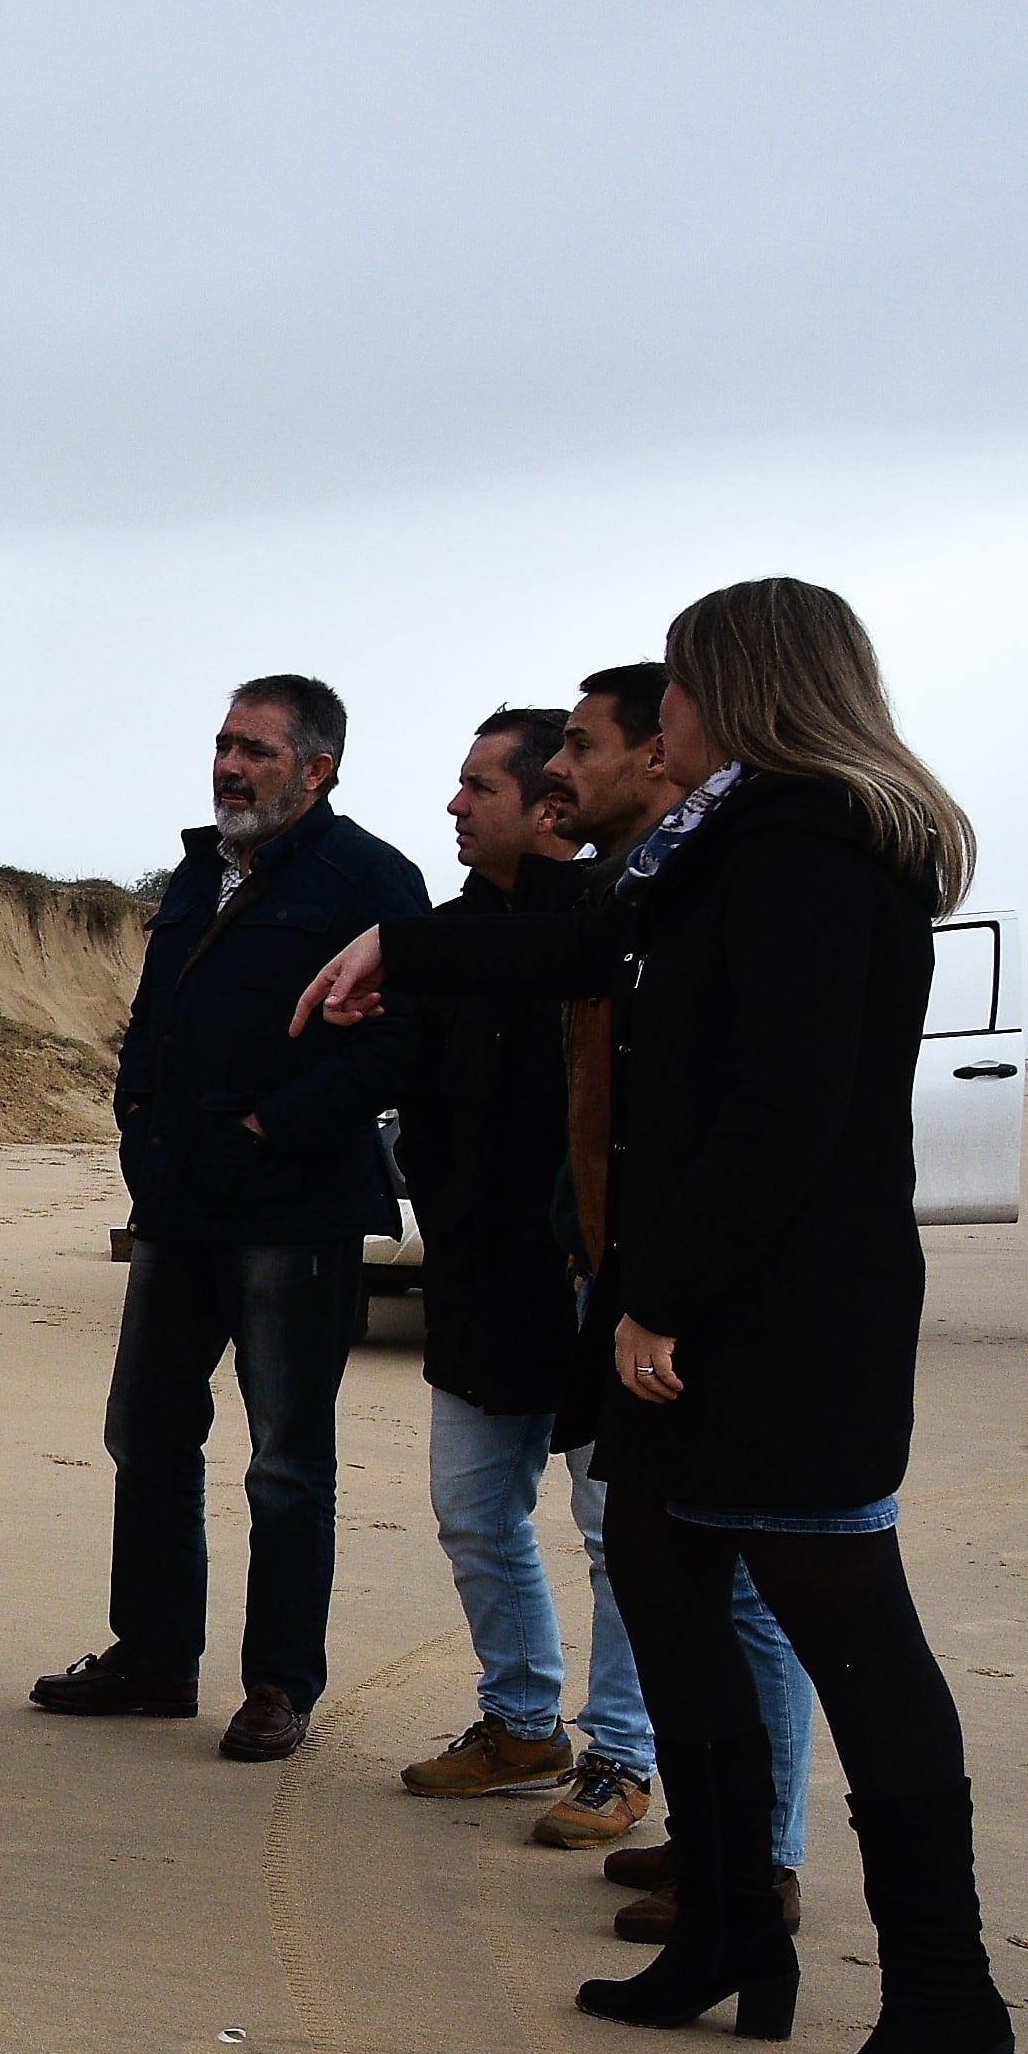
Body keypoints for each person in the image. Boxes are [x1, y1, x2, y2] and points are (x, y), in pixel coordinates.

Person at [300, 578, 1006, 2054]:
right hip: (703, 1300)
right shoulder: (717, 848)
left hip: (789, 1315)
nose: (655, 713)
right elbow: (579, 944)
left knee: (850, 1624)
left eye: (674, 688)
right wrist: (393, 951)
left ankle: (952, 2001)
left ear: (737, 689)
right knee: (672, 1589)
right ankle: (732, 1931)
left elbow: (789, 1107)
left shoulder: (817, 843)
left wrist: (660, 1295)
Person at [33, 676, 429, 1760]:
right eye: (221, 744)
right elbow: (153, 1016)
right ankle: (154, 1658)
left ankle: (277, 1686)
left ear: (316, 768)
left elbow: (403, 1042)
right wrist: (132, 1123)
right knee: (146, 1433)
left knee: (285, 1460)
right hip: (175, 1202)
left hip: (292, 1213)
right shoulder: (196, 870)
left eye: (253, 750)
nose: (227, 767)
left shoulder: (370, 878)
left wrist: (273, 1128)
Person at [540, 668, 822, 1937]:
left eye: (582, 747)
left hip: (711, 1294)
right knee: (674, 1569)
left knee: (749, 1585)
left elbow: (761, 1115)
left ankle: (755, 1861)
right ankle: (715, 1842)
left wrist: (658, 1293)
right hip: (634, 1268)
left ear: (659, 754)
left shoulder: (737, 876)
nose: (566, 769)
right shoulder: (641, 887)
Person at [389, 707, 660, 1834]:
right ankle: (517, 1722)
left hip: (592, 1284)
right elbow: (415, 1098)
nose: (454, 806)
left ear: (546, 805)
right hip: (472, 1274)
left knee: (613, 1530)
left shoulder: (602, 931)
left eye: (476, 788)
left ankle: (623, 1756)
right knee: (469, 1509)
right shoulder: (449, 938)